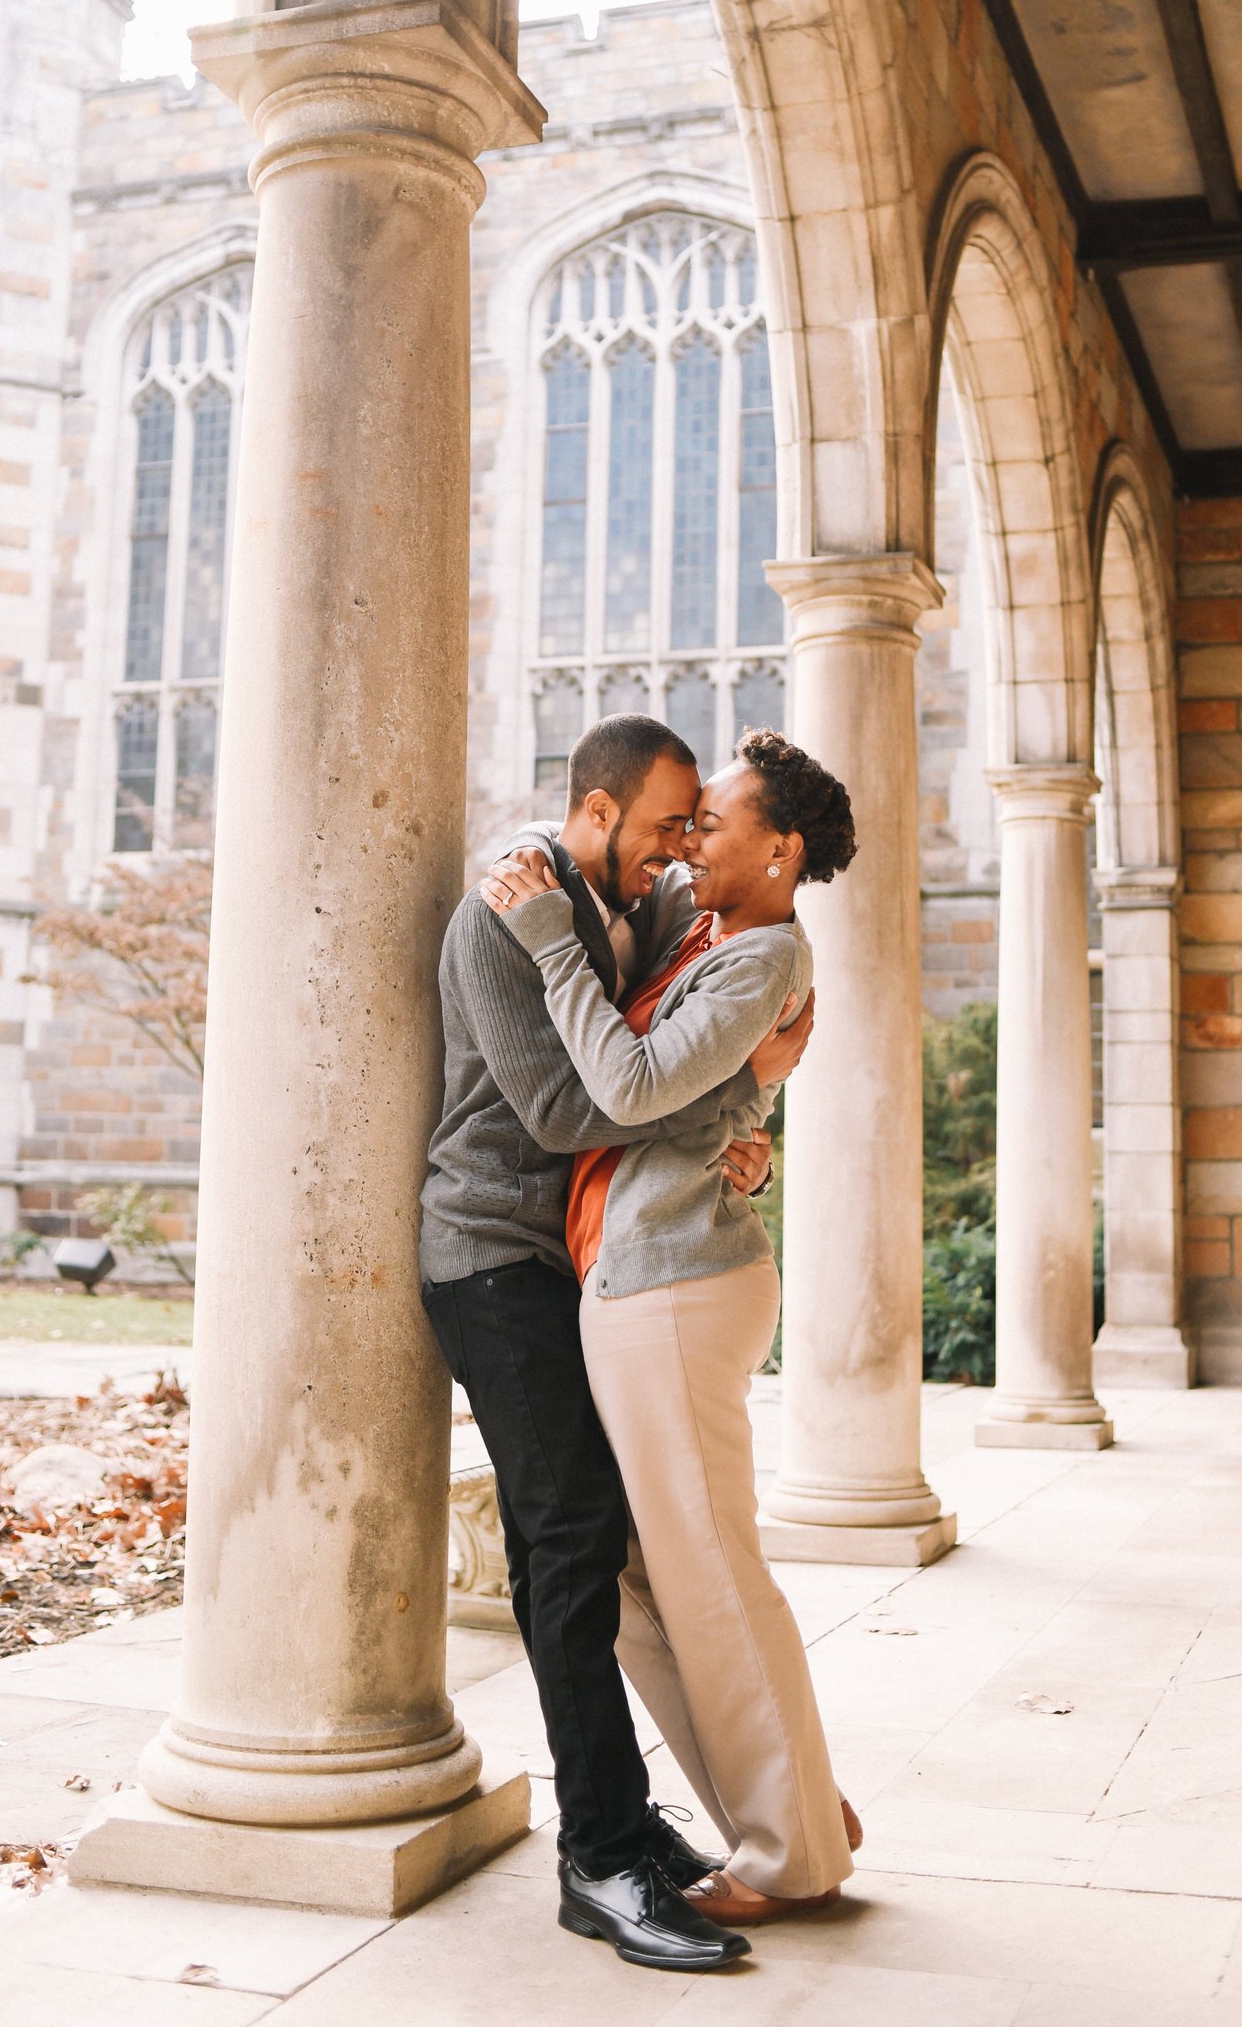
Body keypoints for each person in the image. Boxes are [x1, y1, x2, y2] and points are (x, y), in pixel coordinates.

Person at [419, 713, 814, 1973]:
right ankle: (598, 1856)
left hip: (573, 1264)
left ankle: (626, 1819)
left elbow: (655, 1055)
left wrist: (740, 1102)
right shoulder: (511, 907)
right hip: (490, 1257)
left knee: (591, 1547)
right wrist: (716, 1091)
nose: (684, 849)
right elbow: (564, 1106)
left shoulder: (625, 909)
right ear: (596, 815)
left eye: (700, 825)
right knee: (575, 1540)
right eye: (665, 826)